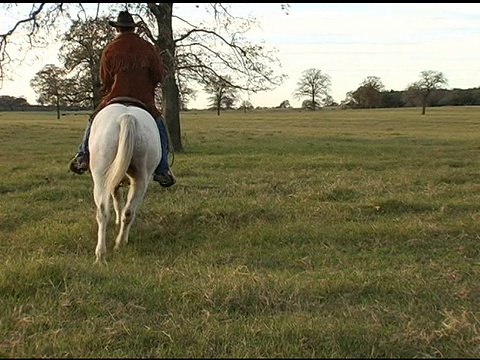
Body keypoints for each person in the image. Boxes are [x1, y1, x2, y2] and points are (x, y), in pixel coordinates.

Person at [68, 10, 176, 188]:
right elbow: (159, 74)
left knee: (93, 119)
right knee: (159, 124)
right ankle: (163, 168)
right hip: (144, 100)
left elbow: (105, 79)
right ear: (133, 29)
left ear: (118, 28)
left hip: (115, 96)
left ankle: (82, 156)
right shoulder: (148, 47)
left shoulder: (110, 49)